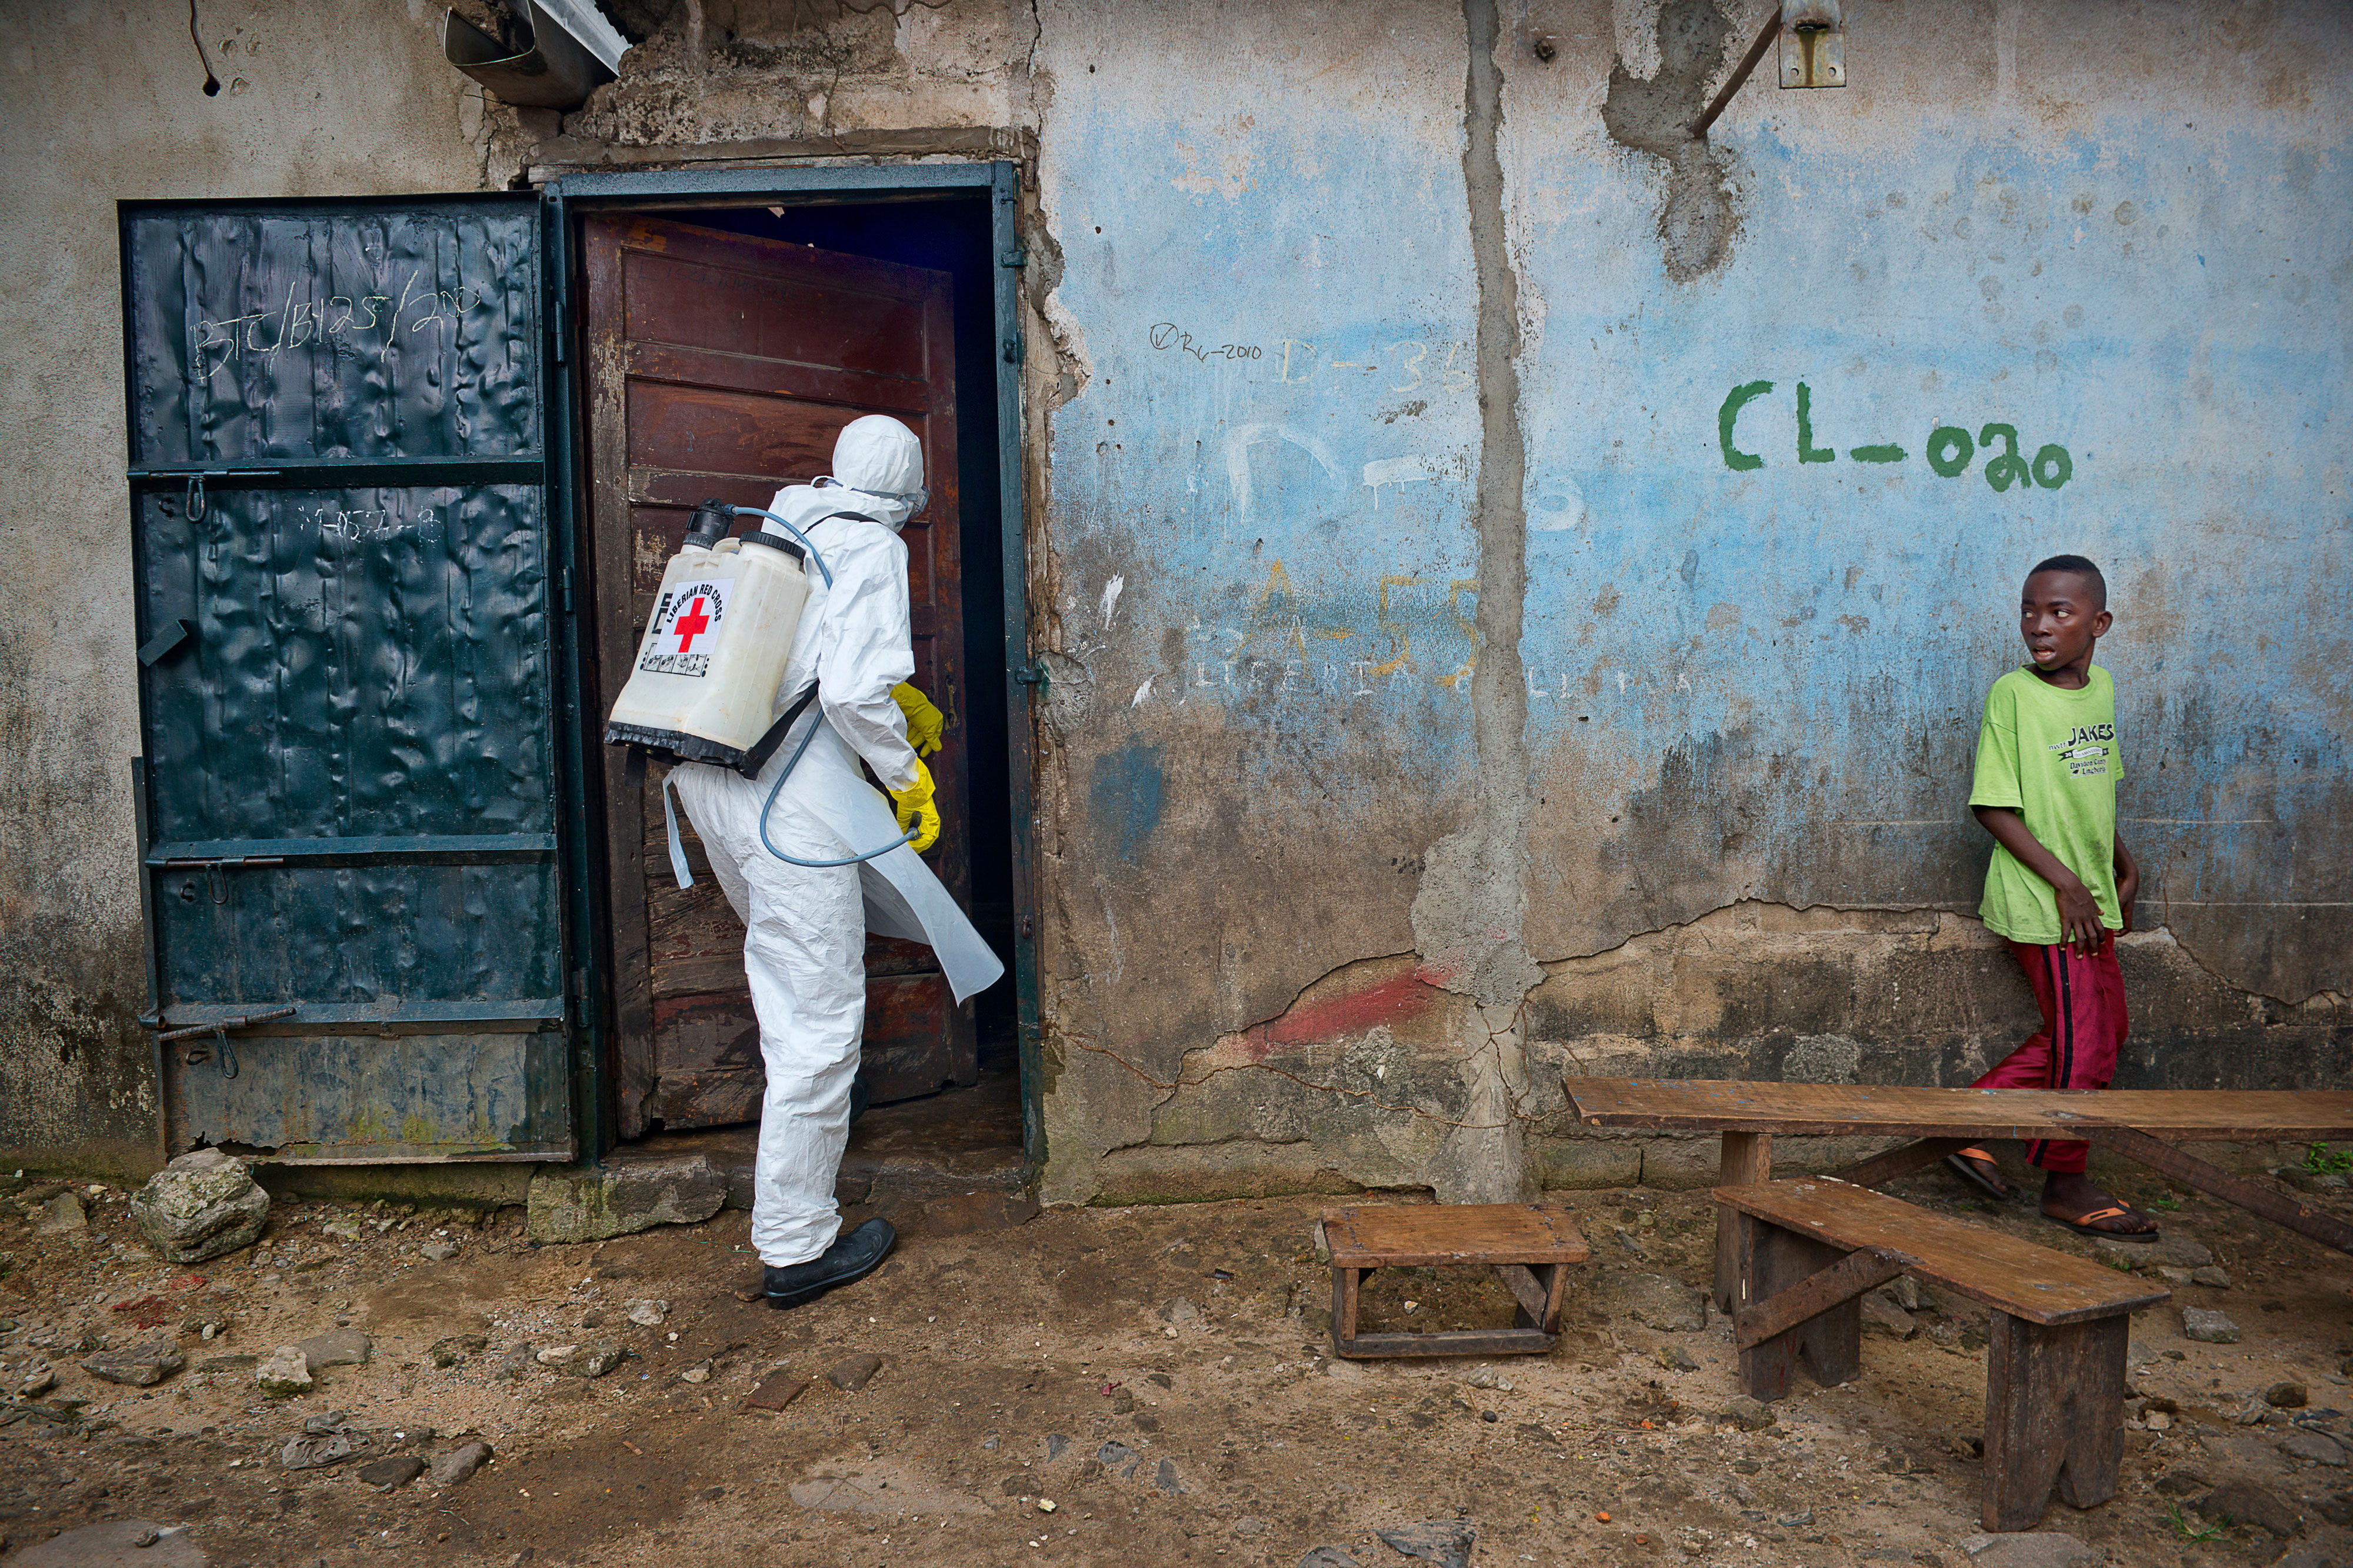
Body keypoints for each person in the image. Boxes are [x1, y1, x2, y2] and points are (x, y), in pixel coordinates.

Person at [669, 415, 1005, 1307]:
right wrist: (906, 775)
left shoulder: (779, 526)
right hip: (788, 801)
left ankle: (807, 1154)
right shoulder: (872, 545)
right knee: (816, 1017)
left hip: (714, 783)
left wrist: (901, 703)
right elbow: (853, 687)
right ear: (909, 491)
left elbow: (806, 661)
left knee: (792, 985)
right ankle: (795, 1243)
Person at [1944, 553, 2156, 1240]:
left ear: (2099, 622)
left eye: (2058, 612)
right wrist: (2066, 883)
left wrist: (2122, 864)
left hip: (2092, 898)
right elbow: (1993, 807)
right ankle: (2065, 1183)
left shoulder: (2101, 691)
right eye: (2029, 610)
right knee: (2083, 1043)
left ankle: (1967, 1117)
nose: (2038, 625)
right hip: (2046, 902)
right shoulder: (2013, 694)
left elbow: (2095, 790)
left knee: (2106, 1030)